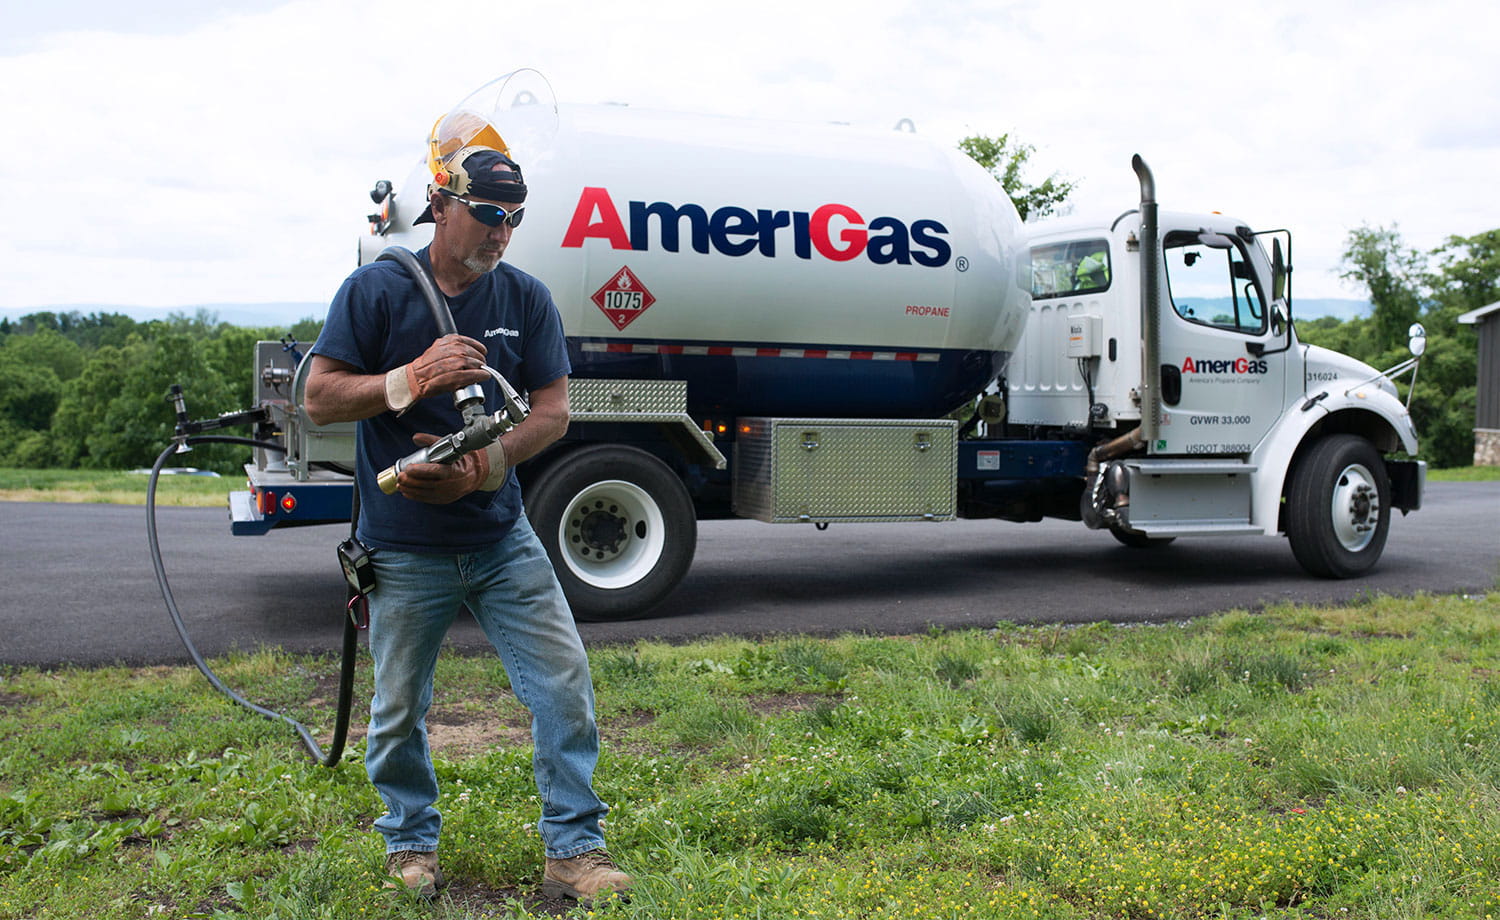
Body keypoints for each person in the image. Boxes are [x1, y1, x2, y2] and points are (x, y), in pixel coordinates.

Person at [304, 144, 630, 904]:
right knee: (397, 708)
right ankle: (410, 843)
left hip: (500, 537)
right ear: (440, 205)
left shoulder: (525, 298)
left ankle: (575, 851)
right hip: (403, 545)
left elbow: (553, 413)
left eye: (514, 218)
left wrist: (483, 467)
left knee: (563, 684)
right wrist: (411, 377)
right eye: (487, 214)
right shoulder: (376, 290)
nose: (501, 233)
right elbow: (319, 398)